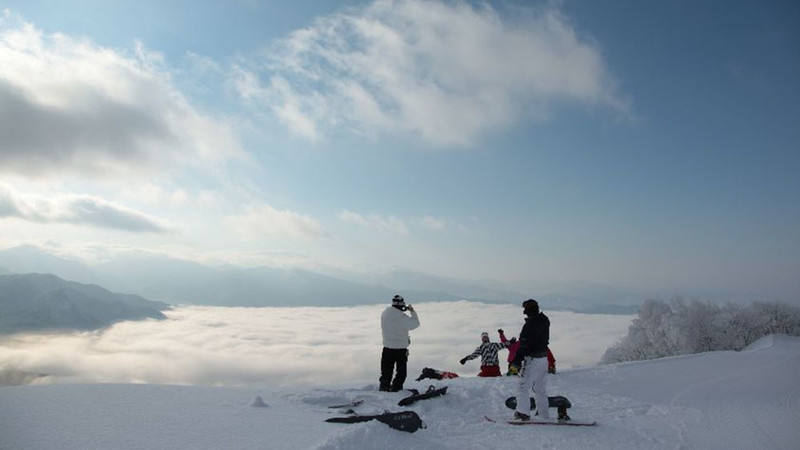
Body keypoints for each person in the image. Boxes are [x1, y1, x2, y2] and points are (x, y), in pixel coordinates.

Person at [512, 299, 551, 421]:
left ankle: (523, 413)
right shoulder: (545, 320)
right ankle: (543, 414)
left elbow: (524, 345)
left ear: (529, 310)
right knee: (540, 389)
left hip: (532, 360)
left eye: (525, 309)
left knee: (523, 386)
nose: (524, 312)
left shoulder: (529, 325)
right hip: (544, 359)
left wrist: (516, 361)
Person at [380, 294, 420, 392]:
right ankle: (396, 389)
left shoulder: (385, 313)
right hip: (400, 349)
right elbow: (415, 324)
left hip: (387, 348)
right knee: (401, 373)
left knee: (386, 371)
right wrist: (412, 312)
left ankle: (384, 388)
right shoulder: (402, 317)